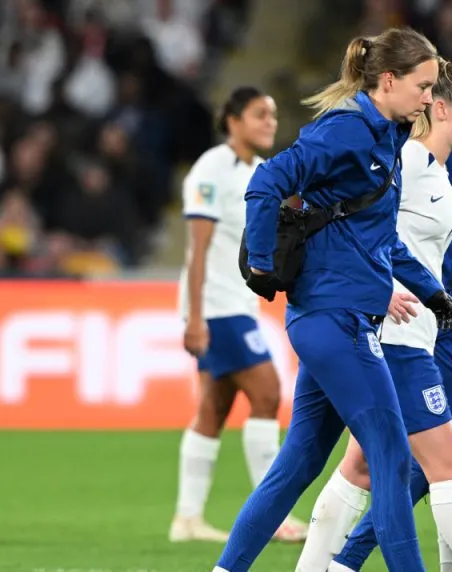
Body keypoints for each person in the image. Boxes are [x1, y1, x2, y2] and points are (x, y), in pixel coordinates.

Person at [211, 28, 452, 572]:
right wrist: (260, 260)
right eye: (423, 86)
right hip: (336, 319)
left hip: (336, 319)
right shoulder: (347, 131)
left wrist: (430, 290)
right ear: (389, 80)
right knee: (392, 461)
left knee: (298, 464)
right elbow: (267, 182)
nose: (429, 98)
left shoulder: (386, 136)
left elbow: (377, 238)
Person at [331, 49, 452, 572]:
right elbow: (383, 227)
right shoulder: (429, 154)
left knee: (425, 465)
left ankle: (342, 561)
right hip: (447, 326)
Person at [172, 85, 306, 544]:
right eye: (259, 115)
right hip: (216, 306)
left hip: (237, 302)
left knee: (213, 409)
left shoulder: (263, 171)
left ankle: (186, 520)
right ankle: (272, 515)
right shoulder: (213, 168)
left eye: (272, 115)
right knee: (267, 394)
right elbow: (199, 248)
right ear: (233, 121)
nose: (269, 122)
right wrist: (194, 316)